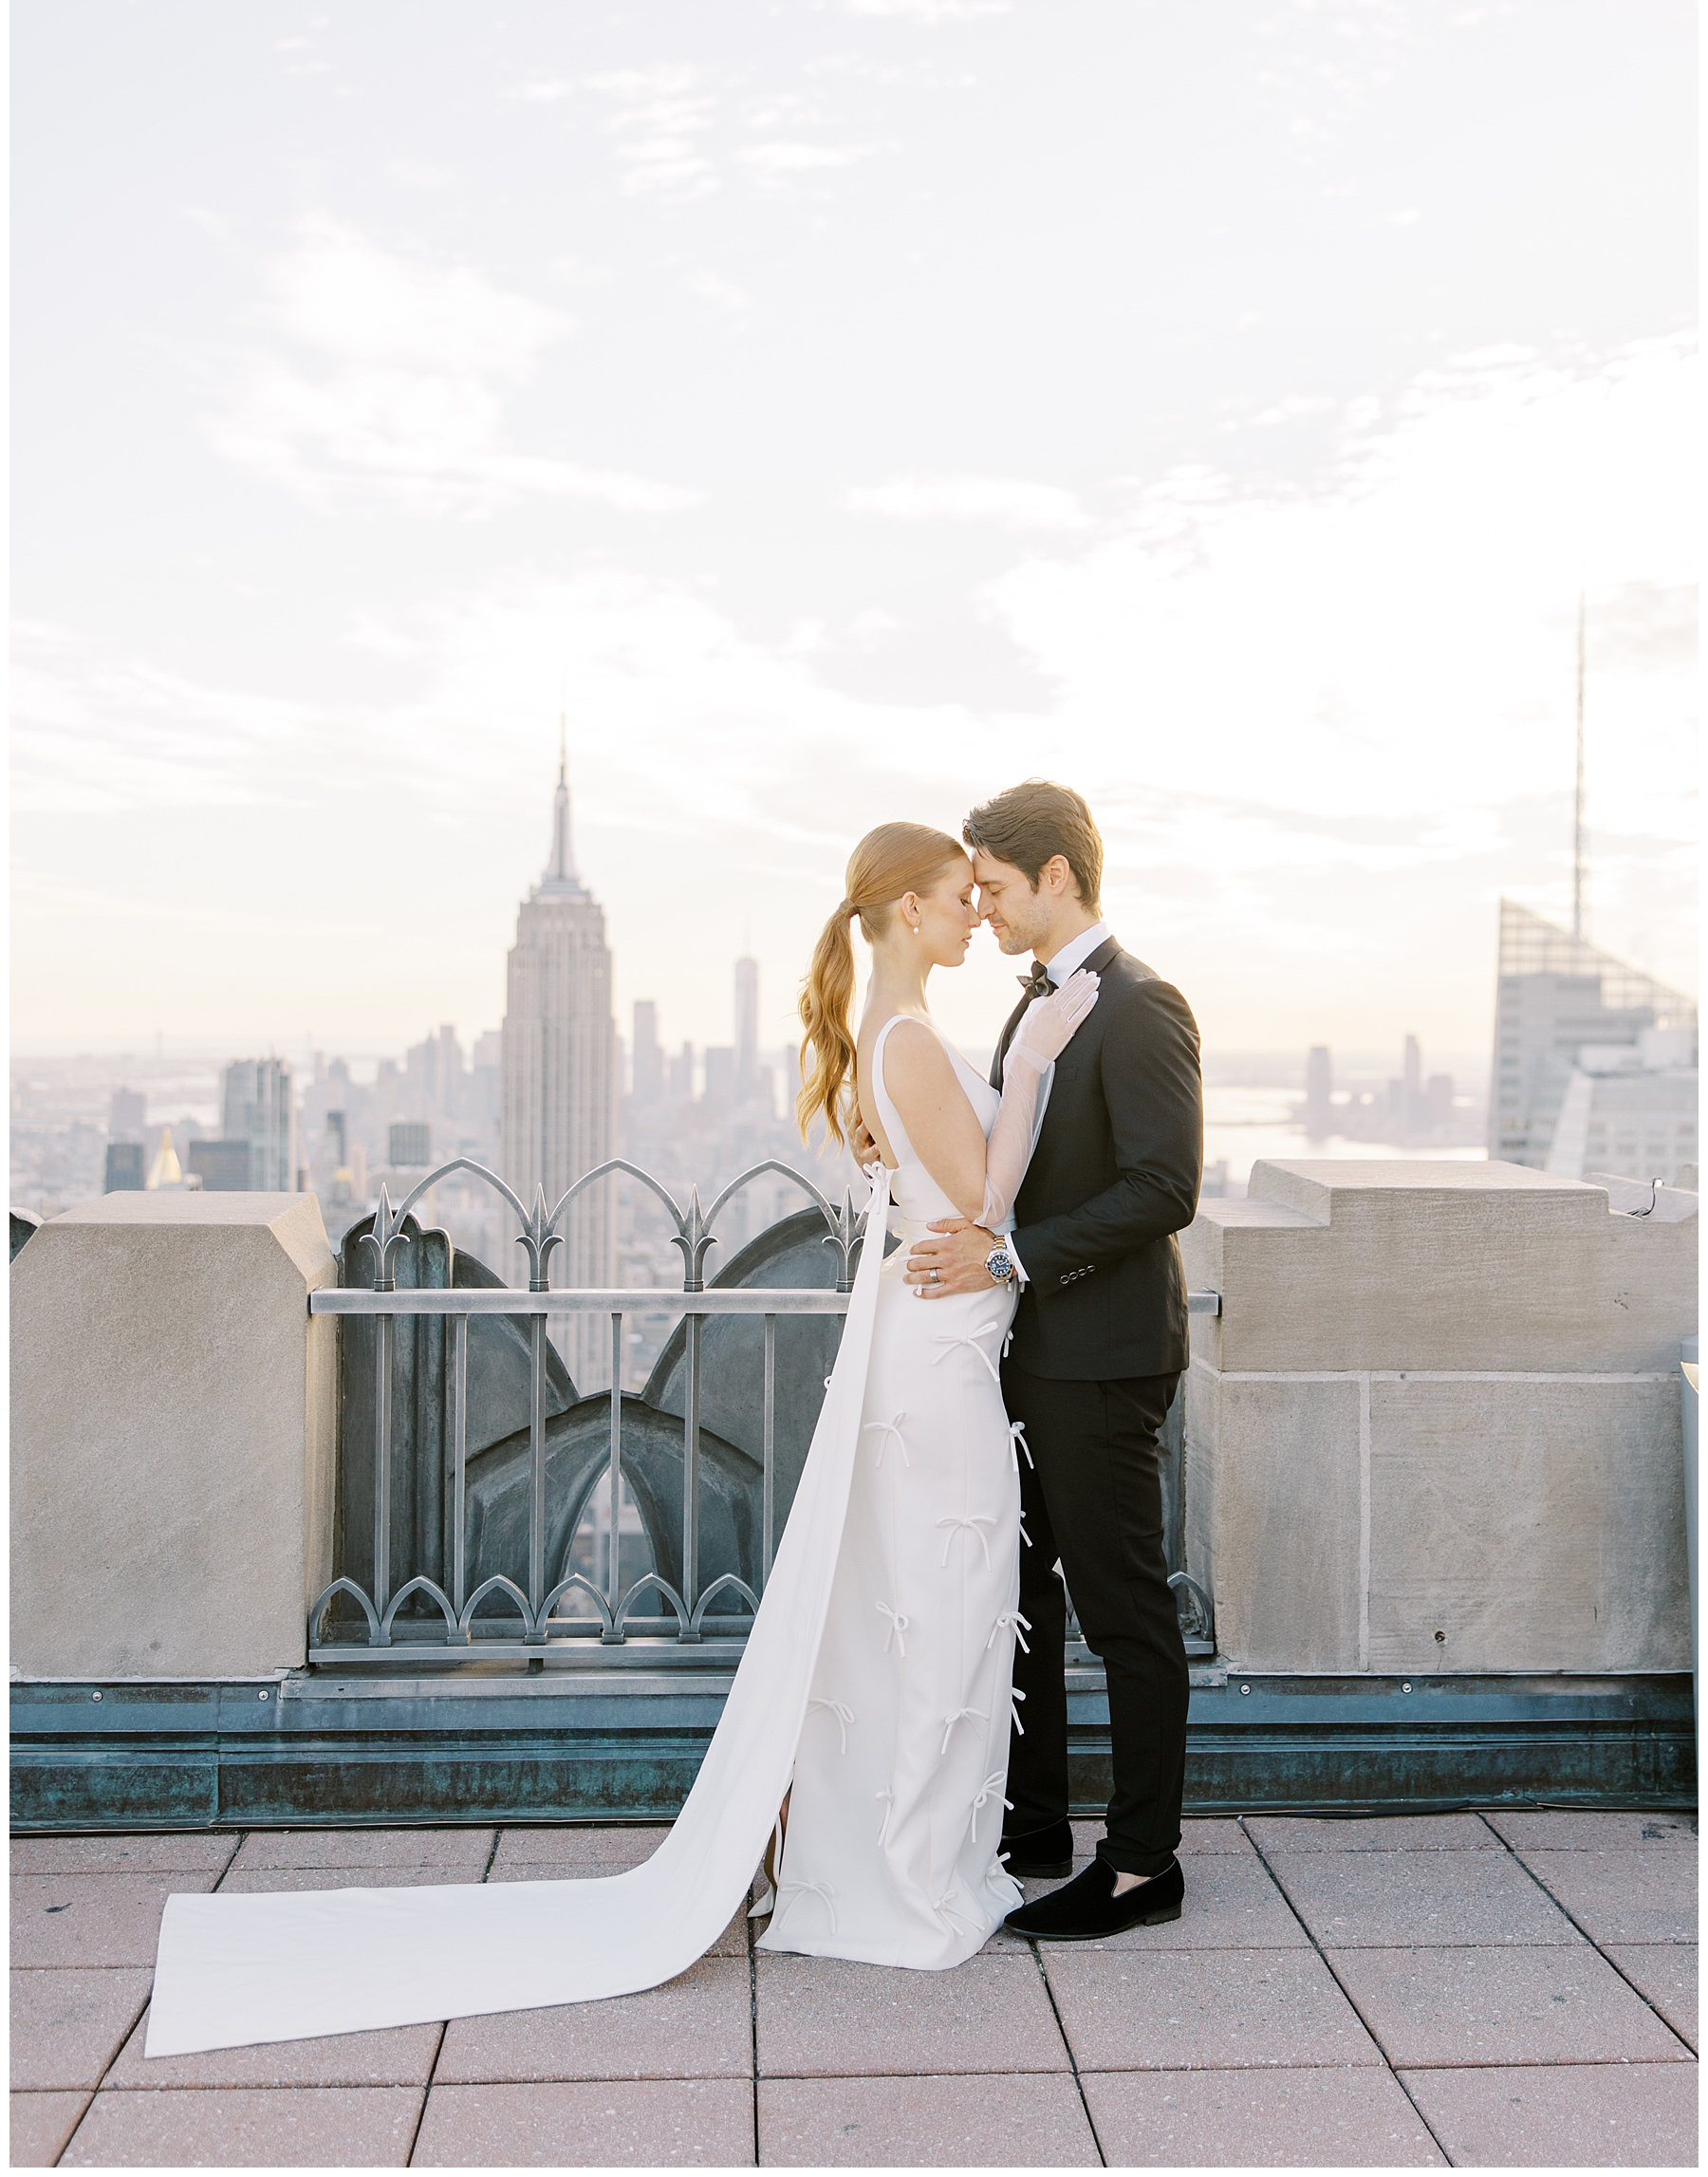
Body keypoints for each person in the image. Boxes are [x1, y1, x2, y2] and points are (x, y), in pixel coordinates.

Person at [143, 822, 1093, 2057]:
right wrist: (1032, 1072)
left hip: (943, 1351)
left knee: (928, 1600)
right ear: (905, 911)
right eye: (956, 898)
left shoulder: (893, 1034)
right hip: (939, 1363)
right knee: (935, 1598)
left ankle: (907, 1861)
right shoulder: (908, 1040)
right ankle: (905, 1880)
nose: (976, 914)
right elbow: (982, 1203)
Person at [862, 780, 1203, 1943]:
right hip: (1018, 1359)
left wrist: (1013, 1263)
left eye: (998, 890)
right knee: (1023, 1604)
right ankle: (1034, 1825)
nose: (989, 914)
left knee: (1122, 1611)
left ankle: (1143, 1864)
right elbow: (999, 1145)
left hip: (1100, 1358)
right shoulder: (1035, 1007)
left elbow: (1165, 1189)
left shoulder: (1144, 1006)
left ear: (1056, 876)